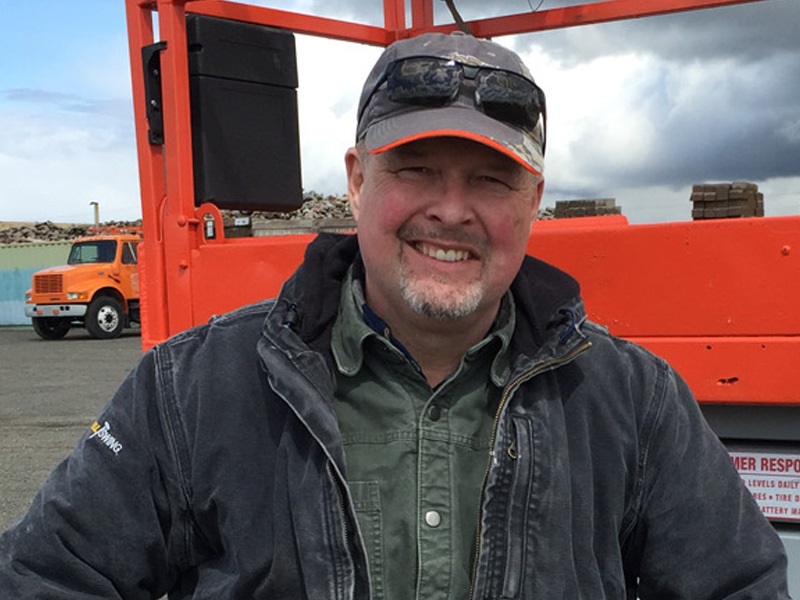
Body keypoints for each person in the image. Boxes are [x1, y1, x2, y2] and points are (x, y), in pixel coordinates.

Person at [0, 32, 790, 600]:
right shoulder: (192, 389)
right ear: (356, 180)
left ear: (534, 202)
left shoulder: (634, 402)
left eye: (491, 180)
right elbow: (46, 577)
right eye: (415, 169)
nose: (451, 210)